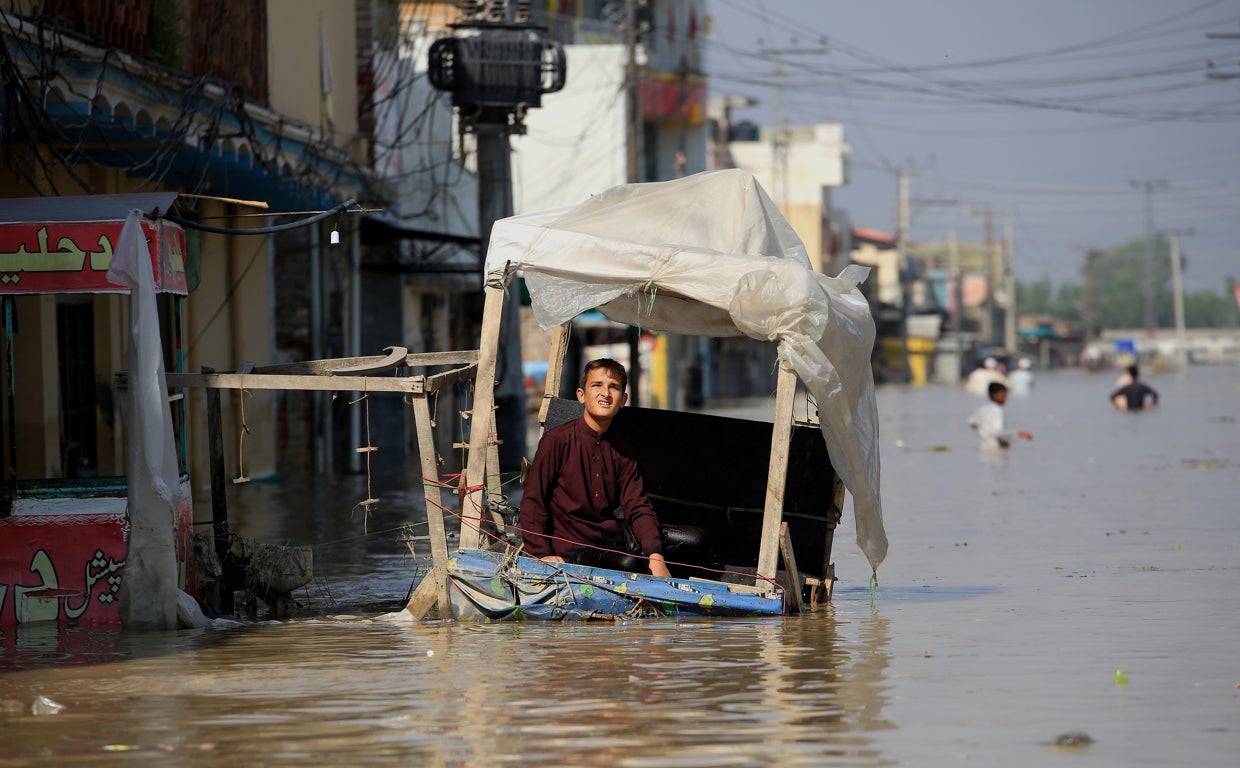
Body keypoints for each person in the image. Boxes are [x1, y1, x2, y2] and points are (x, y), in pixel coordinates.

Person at [519, 358, 709, 578]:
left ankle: (657, 568)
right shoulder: (557, 440)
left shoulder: (621, 452)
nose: (605, 394)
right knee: (629, 565)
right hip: (574, 547)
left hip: (613, 537)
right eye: (597, 385)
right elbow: (534, 501)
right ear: (581, 395)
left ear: (623, 400)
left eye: (614, 387)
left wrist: (655, 555)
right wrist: (542, 554)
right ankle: (644, 568)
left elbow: (638, 508)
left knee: (697, 541)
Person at [968, 382, 1033, 450]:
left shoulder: (982, 408)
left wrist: (982, 432)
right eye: (1003, 394)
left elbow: (971, 421)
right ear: (994, 394)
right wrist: (1018, 434)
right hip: (995, 448)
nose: (1006, 397)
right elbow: (998, 432)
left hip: (983, 446)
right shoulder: (997, 410)